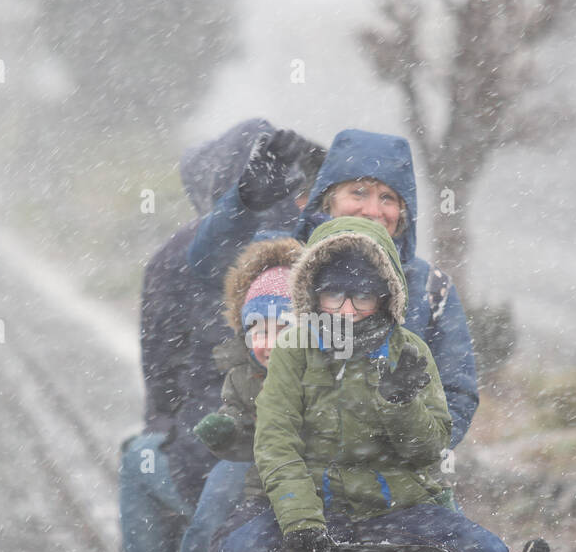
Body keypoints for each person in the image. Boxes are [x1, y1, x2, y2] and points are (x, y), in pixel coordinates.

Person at [204, 217, 517, 552]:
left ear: (387, 297)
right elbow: (276, 444)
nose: (346, 310)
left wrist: (400, 403)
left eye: (363, 297)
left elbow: (431, 446)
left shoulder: (410, 352)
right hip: (314, 511)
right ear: (313, 294)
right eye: (334, 294)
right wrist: (301, 521)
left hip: (401, 509)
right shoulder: (296, 352)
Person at [117, 119, 323, 552]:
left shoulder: (179, 255)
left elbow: (160, 368)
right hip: (318, 446)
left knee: (137, 460)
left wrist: (165, 423)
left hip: (223, 446)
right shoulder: (321, 247)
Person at [188, 127, 479, 453]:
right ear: (328, 199)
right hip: (281, 460)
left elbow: (457, 391)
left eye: (388, 198)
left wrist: (406, 450)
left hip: (391, 481)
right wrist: (242, 203)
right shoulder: (282, 256)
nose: (373, 210)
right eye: (358, 192)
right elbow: (208, 266)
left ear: (403, 212)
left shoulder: (429, 286)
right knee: (221, 496)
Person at [158, 234, 303, 552]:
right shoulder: (242, 368)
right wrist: (219, 437)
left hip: (319, 467)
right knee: (213, 533)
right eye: (256, 327)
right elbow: (231, 414)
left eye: (281, 327)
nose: (267, 338)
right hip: (261, 460)